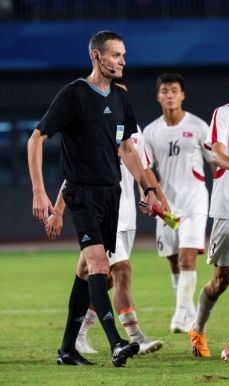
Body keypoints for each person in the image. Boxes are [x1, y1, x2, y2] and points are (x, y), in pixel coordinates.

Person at [27, 30, 158, 367]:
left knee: (87, 272)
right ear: (97, 57)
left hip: (110, 193)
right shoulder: (74, 93)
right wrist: (40, 191)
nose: (123, 62)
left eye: (124, 56)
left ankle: (67, 350)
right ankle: (116, 343)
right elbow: (36, 138)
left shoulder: (120, 98)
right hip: (81, 193)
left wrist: (149, 188)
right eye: (116, 55)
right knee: (102, 265)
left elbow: (126, 148)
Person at [44, 79, 164, 357]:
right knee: (118, 269)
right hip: (94, 208)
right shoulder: (93, 131)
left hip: (125, 214)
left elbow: (144, 170)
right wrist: (59, 210)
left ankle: (73, 341)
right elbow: (73, 177)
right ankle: (131, 337)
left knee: (93, 275)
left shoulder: (134, 135)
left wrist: (157, 199)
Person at [143, 73, 215, 333]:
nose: (170, 95)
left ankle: (179, 315)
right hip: (167, 206)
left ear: (182, 95)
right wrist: (149, 193)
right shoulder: (151, 131)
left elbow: (214, 161)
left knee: (187, 257)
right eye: (165, 91)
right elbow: (146, 168)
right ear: (158, 96)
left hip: (195, 200)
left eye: (175, 90)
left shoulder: (198, 126)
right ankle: (189, 313)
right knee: (174, 260)